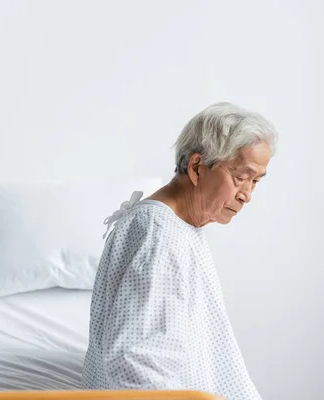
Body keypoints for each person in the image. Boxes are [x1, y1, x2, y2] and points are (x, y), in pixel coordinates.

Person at [80, 102, 277, 400]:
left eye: (255, 181)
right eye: (240, 176)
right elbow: (137, 364)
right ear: (197, 167)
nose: (247, 195)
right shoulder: (159, 236)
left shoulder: (176, 227)